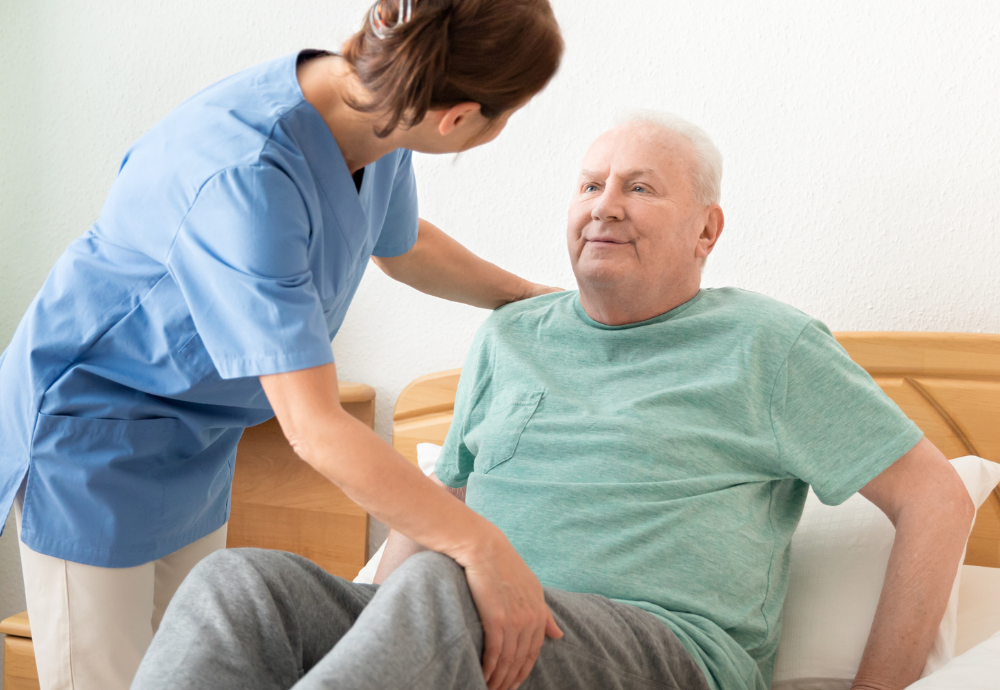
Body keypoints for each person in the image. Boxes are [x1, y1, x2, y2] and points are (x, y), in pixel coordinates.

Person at [131, 112, 975, 690]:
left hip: (663, 652)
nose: (605, 206)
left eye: (640, 188)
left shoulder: (767, 346)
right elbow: (441, 507)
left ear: (706, 230)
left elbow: (936, 498)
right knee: (243, 584)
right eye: (590, 185)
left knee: (445, 590)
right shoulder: (511, 337)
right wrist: (368, 625)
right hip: (465, 623)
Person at [0, 1, 567, 689]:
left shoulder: (378, 110)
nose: (501, 131)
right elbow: (316, 426)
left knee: (199, 670)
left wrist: (532, 298)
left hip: (197, 438)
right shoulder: (249, 175)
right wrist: (481, 545)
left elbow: (403, 243)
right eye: (506, 117)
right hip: (93, 434)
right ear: (458, 117)